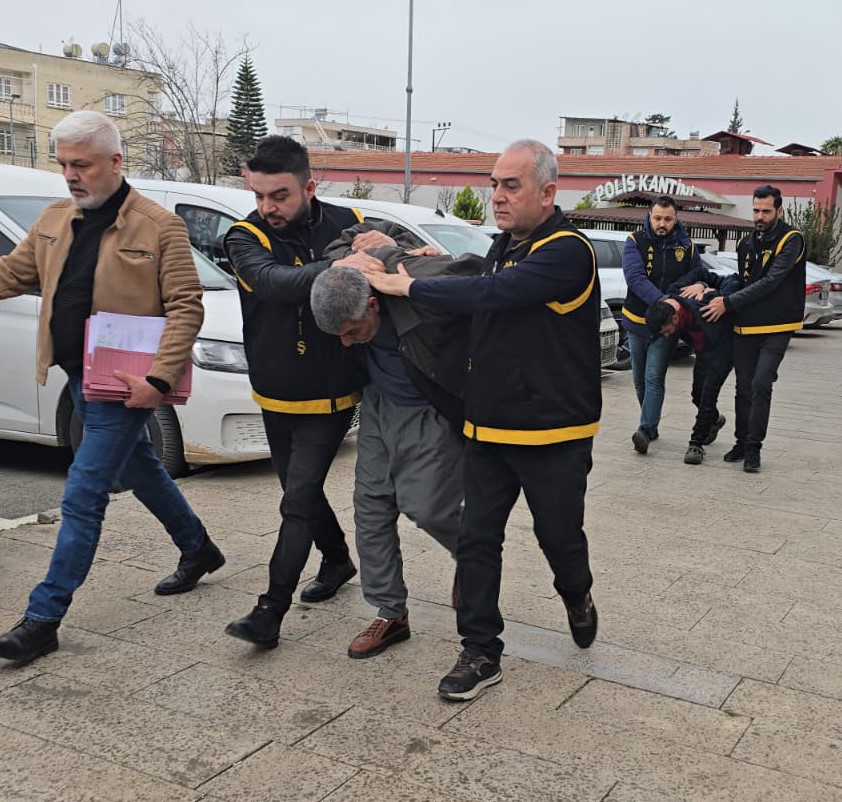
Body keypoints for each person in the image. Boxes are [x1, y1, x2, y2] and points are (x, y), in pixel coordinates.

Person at [0, 111, 225, 663]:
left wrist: (158, 379)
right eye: (64, 166)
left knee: (83, 494)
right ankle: (198, 548)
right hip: (79, 374)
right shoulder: (56, 219)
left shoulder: (158, 227)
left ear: (115, 162)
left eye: (83, 165)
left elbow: (186, 307)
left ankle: (43, 617)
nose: (72, 176)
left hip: (124, 385)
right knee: (140, 467)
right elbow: (9, 272)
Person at [367, 139, 601, 701]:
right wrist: (409, 257)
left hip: (553, 433)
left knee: (558, 537)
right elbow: (473, 271)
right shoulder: (503, 247)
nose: (496, 195)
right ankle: (479, 651)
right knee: (477, 540)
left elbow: (495, 293)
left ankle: (577, 593)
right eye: (493, 184)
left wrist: (410, 286)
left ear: (548, 193)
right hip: (489, 428)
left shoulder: (569, 251)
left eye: (510, 185)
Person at [222, 136, 389, 649]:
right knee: (300, 490)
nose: (268, 207)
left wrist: (383, 247)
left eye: (280, 196)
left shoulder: (348, 220)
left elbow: (390, 260)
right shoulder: (242, 236)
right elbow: (271, 282)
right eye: (260, 196)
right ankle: (337, 560)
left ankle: (269, 612)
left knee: (295, 500)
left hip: (333, 392)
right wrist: (342, 267)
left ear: (309, 187)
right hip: (275, 391)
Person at [310, 241, 477, 658]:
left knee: (426, 508)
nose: (347, 343)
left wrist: (416, 256)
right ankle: (390, 613)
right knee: (370, 506)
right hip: (378, 405)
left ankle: (474, 555)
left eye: (352, 332)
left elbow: (476, 270)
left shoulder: (414, 280)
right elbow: (351, 231)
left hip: (428, 411)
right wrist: (373, 239)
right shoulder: (357, 273)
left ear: (372, 305)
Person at [701, 185, 806, 472]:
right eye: (756, 210)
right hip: (745, 326)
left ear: (779, 210)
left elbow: (771, 280)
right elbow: (744, 279)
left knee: (761, 383)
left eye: (766, 211)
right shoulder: (746, 243)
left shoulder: (791, 240)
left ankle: (753, 448)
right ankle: (741, 441)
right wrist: (709, 285)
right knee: (743, 388)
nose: (759, 216)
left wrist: (729, 302)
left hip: (777, 326)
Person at [620, 196, 704, 454]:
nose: (662, 223)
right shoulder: (635, 242)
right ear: (649, 216)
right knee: (639, 381)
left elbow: (695, 272)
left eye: (667, 219)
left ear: (675, 218)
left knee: (654, 376)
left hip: (667, 325)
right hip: (637, 321)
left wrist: (675, 298)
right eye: (657, 218)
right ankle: (651, 425)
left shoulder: (686, 245)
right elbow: (634, 277)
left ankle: (645, 429)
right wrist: (662, 301)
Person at [644, 267, 739, 465]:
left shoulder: (705, 305)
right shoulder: (675, 293)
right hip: (703, 352)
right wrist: (700, 283)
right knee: (697, 394)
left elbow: (734, 279)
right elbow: (698, 273)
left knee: (707, 396)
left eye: (667, 330)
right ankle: (714, 420)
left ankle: (696, 444)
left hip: (722, 350)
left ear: (676, 318)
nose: (667, 335)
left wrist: (724, 300)